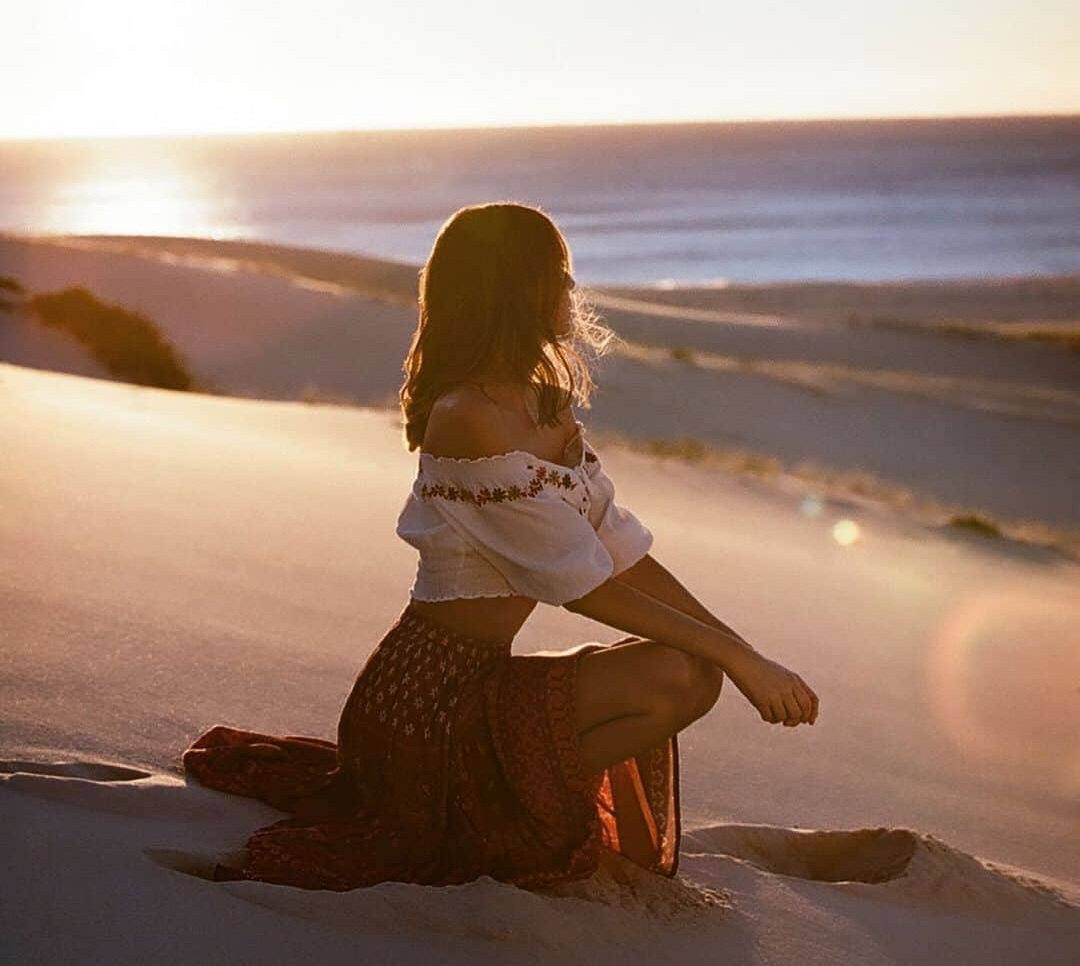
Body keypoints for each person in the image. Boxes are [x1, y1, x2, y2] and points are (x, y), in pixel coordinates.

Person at [182, 202, 819, 891]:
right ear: (518, 287)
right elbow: (582, 584)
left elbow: (622, 550)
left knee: (696, 672)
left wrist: (747, 654)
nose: (572, 291)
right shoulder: (465, 420)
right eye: (560, 275)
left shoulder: (548, 407)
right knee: (685, 669)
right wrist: (734, 655)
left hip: (486, 679)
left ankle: (508, 810)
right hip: (425, 699)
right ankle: (500, 820)